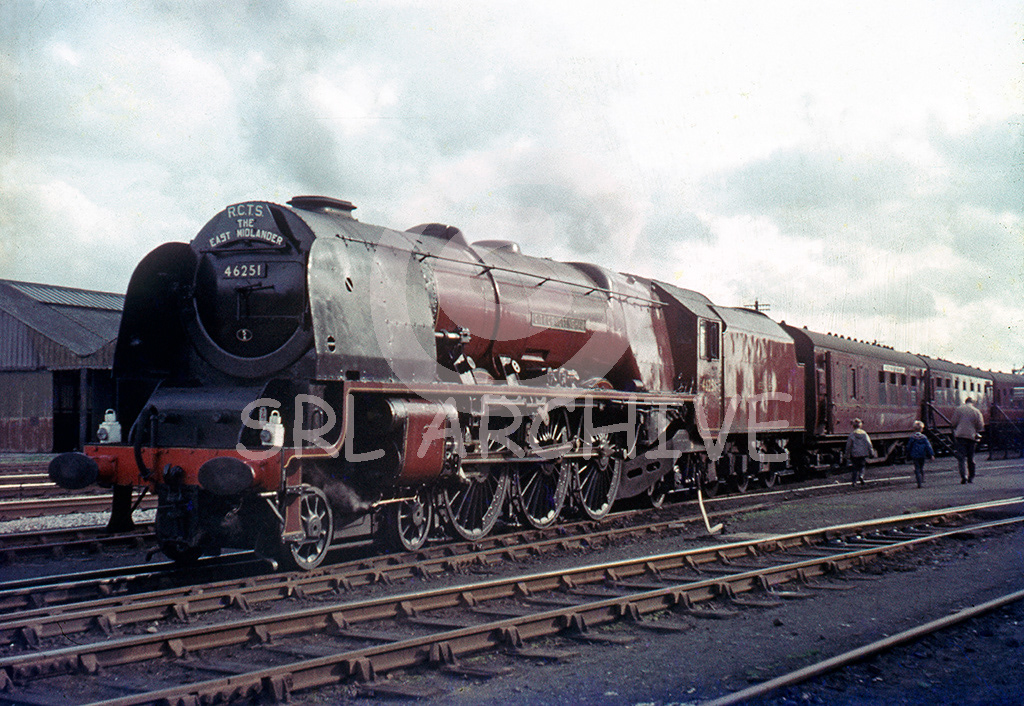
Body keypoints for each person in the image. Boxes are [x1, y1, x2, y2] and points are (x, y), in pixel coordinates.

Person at [950, 397, 985, 484]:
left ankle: (963, 477)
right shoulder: (976, 411)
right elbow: (980, 425)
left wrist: (957, 428)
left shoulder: (959, 409)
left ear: (965, 402)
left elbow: (953, 423)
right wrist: (975, 429)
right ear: (972, 403)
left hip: (960, 436)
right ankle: (971, 477)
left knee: (961, 458)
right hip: (971, 437)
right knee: (971, 458)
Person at [844, 418, 875, 486]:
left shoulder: (852, 434)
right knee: (862, 466)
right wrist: (871, 452)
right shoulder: (864, 434)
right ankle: (861, 476)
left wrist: (846, 454)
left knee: (854, 468)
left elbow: (848, 445)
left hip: (854, 454)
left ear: (853, 426)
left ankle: (854, 482)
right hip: (863, 453)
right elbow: (869, 443)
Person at [906, 421, 934, 488]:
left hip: (915, 455)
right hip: (922, 455)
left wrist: (908, 454)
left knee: (917, 468)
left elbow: (908, 446)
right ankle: (922, 479)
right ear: (921, 429)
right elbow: (928, 446)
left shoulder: (912, 437)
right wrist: (931, 455)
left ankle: (919, 483)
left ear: (914, 429)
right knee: (921, 468)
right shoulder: (924, 437)